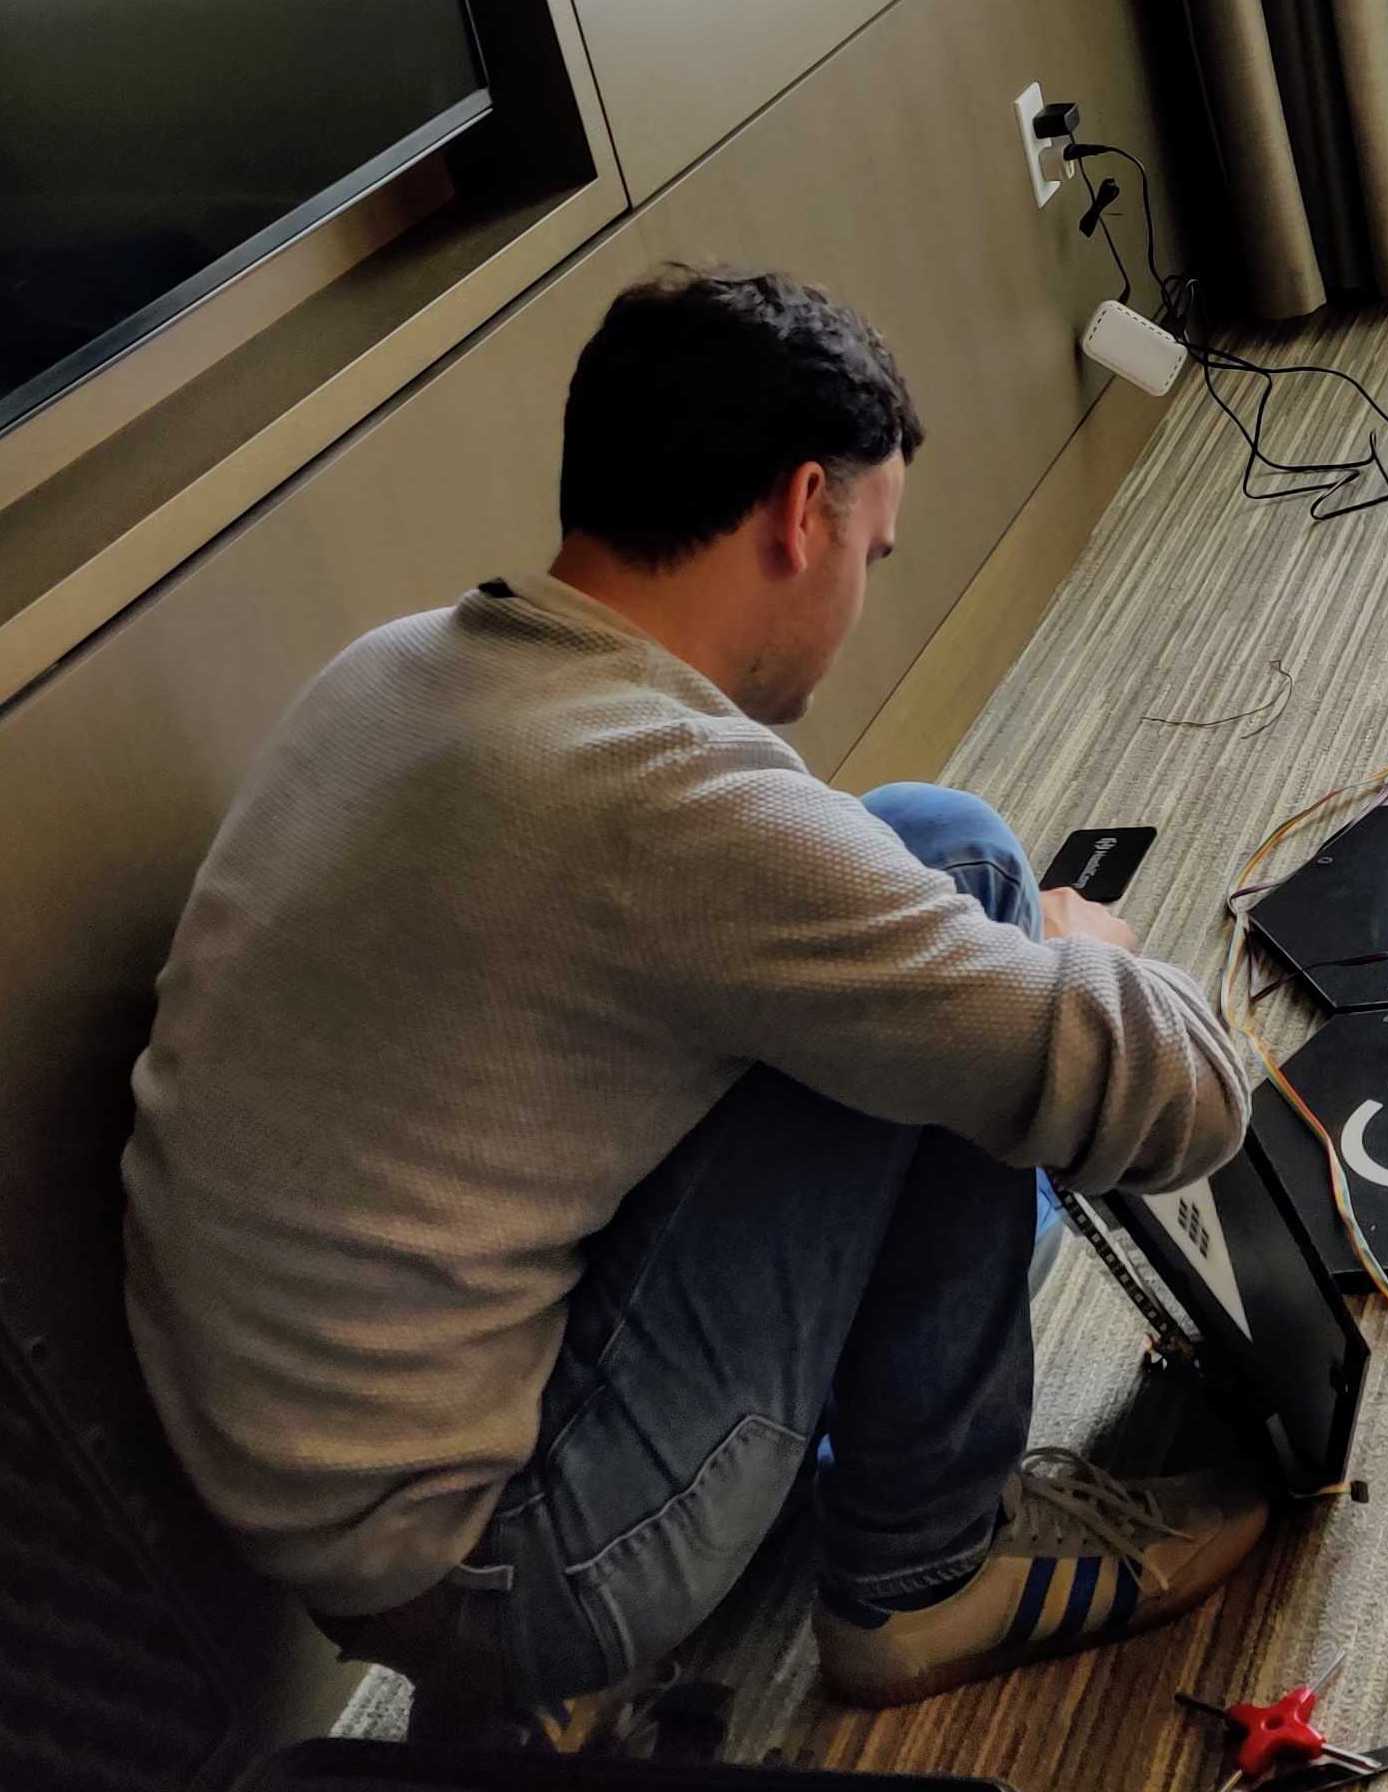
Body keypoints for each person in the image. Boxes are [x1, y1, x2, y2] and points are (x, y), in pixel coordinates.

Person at [120, 267, 1260, 1728]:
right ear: (803, 512)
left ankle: (840, 1461)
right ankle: (920, 1579)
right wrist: (1095, 953)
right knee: (973, 930)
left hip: (337, 1504)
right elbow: (1184, 1102)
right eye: (876, 550)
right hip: (516, 1564)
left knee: (938, 841)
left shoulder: (401, 668)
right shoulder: (657, 802)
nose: (860, 595)